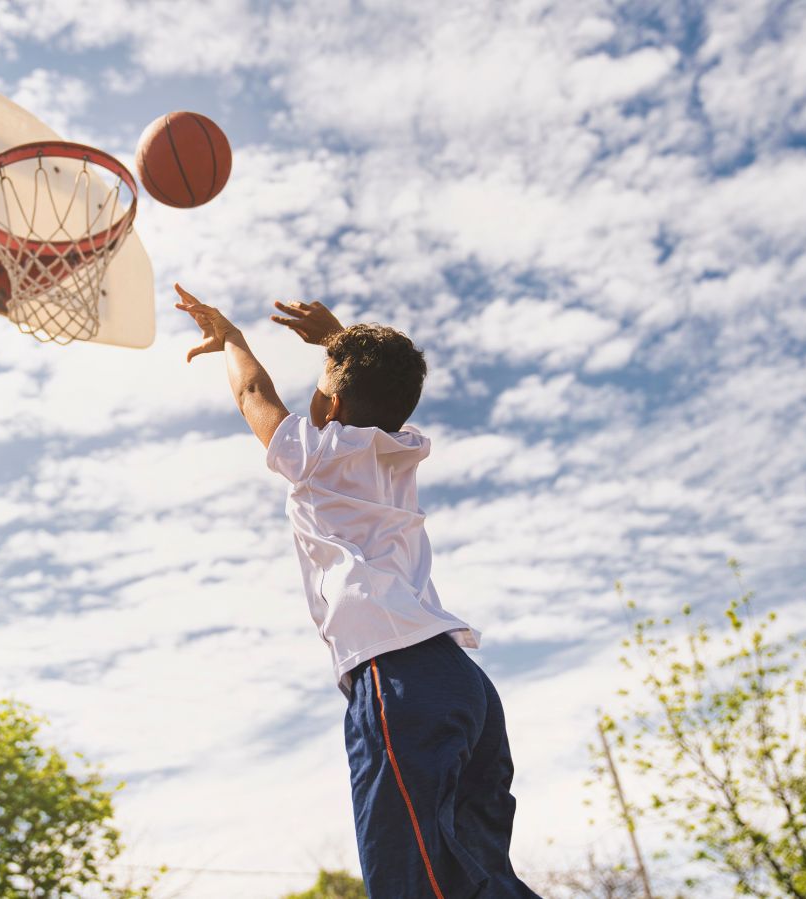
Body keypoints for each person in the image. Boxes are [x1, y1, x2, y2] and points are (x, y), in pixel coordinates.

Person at [174, 284, 541, 899]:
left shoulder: (316, 456)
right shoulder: (404, 447)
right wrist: (336, 342)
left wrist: (233, 339)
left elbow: (252, 394)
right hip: (465, 685)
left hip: (400, 679)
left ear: (334, 402)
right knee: (480, 879)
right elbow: (378, 386)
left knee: (410, 881)